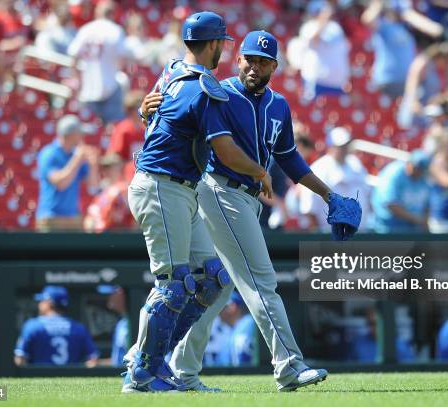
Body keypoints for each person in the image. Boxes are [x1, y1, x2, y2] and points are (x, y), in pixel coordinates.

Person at [143, 30, 336, 393]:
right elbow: (176, 120)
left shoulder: (279, 105)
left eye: (263, 61)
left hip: (247, 198)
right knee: (261, 282)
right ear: (239, 58)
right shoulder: (219, 92)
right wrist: (145, 111)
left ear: (274, 66)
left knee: (215, 286)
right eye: (249, 58)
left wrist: (328, 195)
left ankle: (181, 370)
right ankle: (289, 366)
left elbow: (289, 158)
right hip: (220, 189)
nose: (254, 66)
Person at [122, 11, 242, 393]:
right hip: (162, 184)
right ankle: (142, 373)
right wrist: (259, 172)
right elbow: (222, 147)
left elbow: (156, 118)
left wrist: (143, 112)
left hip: (180, 186)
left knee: (212, 280)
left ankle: (153, 361)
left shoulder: (172, 70)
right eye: (221, 42)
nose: (223, 49)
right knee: (174, 285)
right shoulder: (204, 85)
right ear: (212, 45)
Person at [67, 0, 133, 124]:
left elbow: (73, 56)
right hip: (110, 86)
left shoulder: (86, 29)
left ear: (97, 13)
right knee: (113, 128)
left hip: (88, 87)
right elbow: (124, 59)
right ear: (112, 14)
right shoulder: (115, 30)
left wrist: (76, 78)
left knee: (91, 130)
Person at [35, 115, 99, 232]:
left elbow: (93, 187)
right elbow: (60, 183)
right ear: (69, 134)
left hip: (73, 217)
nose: (82, 137)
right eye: (79, 134)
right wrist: (77, 159)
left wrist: (93, 164)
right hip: (51, 218)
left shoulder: (75, 155)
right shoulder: (49, 153)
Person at [298, 127, 370, 231]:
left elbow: (368, 195)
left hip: (358, 233)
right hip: (329, 236)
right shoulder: (319, 168)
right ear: (330, 146)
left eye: (346, 145)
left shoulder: (356, 164)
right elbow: (309, 208)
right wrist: (318, 236)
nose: (344, 149)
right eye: (340, 146)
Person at [14, 285, 98, 366]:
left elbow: (20, 360)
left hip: (40, 377)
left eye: (42, 301)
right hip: (71, 378)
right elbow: (92, 361)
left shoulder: (33, 325)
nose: (39, 304)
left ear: (49, 303)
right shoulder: (79, 328)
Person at [288, 1, 350, 100]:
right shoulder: (309, 27)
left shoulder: (335, 27)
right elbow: (313, 42)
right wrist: (323, 21)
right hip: (316, 82)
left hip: (337, 83)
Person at [362, 0, 417, 98]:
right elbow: (367, 20)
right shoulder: (384, 25)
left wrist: (408, 14)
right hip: (386, 81)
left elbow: (436, 31)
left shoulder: (407, 28)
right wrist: (378, 4)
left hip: (405, 83)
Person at [371, 149, 431, 233]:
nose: (419, 173)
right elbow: (390, 204)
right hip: (388, 229)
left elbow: (427, 205)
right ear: (409, 163)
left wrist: (424, 224)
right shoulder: (394, 173)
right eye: (417, 168)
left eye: (422, 170)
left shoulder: (423, 178)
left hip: (412, 230)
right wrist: (418, 220)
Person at [83, 153, 133, 232]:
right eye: (104, 168)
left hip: (120, 235)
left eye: (111, 168)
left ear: (120, 169)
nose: (106, 171)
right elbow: (91, 215)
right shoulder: (102, 190)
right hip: (102, 235)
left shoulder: (126, 189)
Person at [97, 285, 129, 367]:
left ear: (120, 293)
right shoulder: (121, 323)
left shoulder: (139, 321)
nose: (108, 298)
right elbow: (117, 361)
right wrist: (97, 363)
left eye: (111, 294)